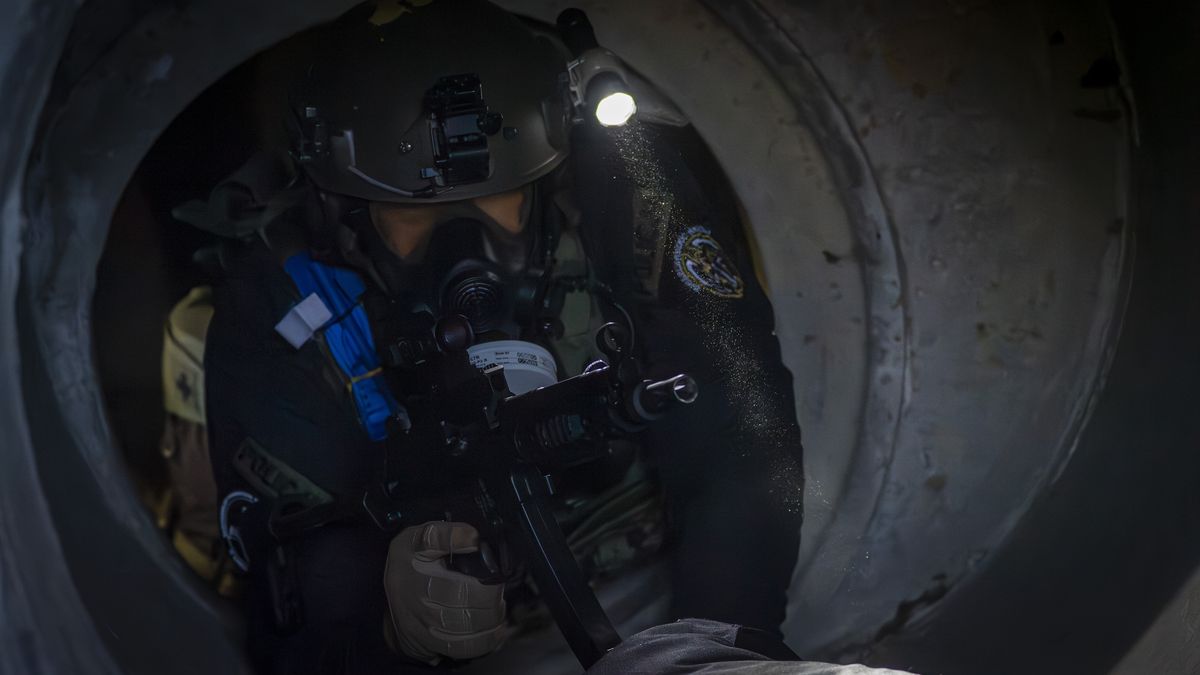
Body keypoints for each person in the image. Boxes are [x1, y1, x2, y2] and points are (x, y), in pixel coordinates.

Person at [181, 2, 806, 672]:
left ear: (544, 184)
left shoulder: (624, 200)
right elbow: (289, 590)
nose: (464, 245)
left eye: (495, 198)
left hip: (641, 577)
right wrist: (386, 623)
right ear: (344, 212)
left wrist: (716, 650)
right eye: (413, 211)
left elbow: (745, 431)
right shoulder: (283, 306)